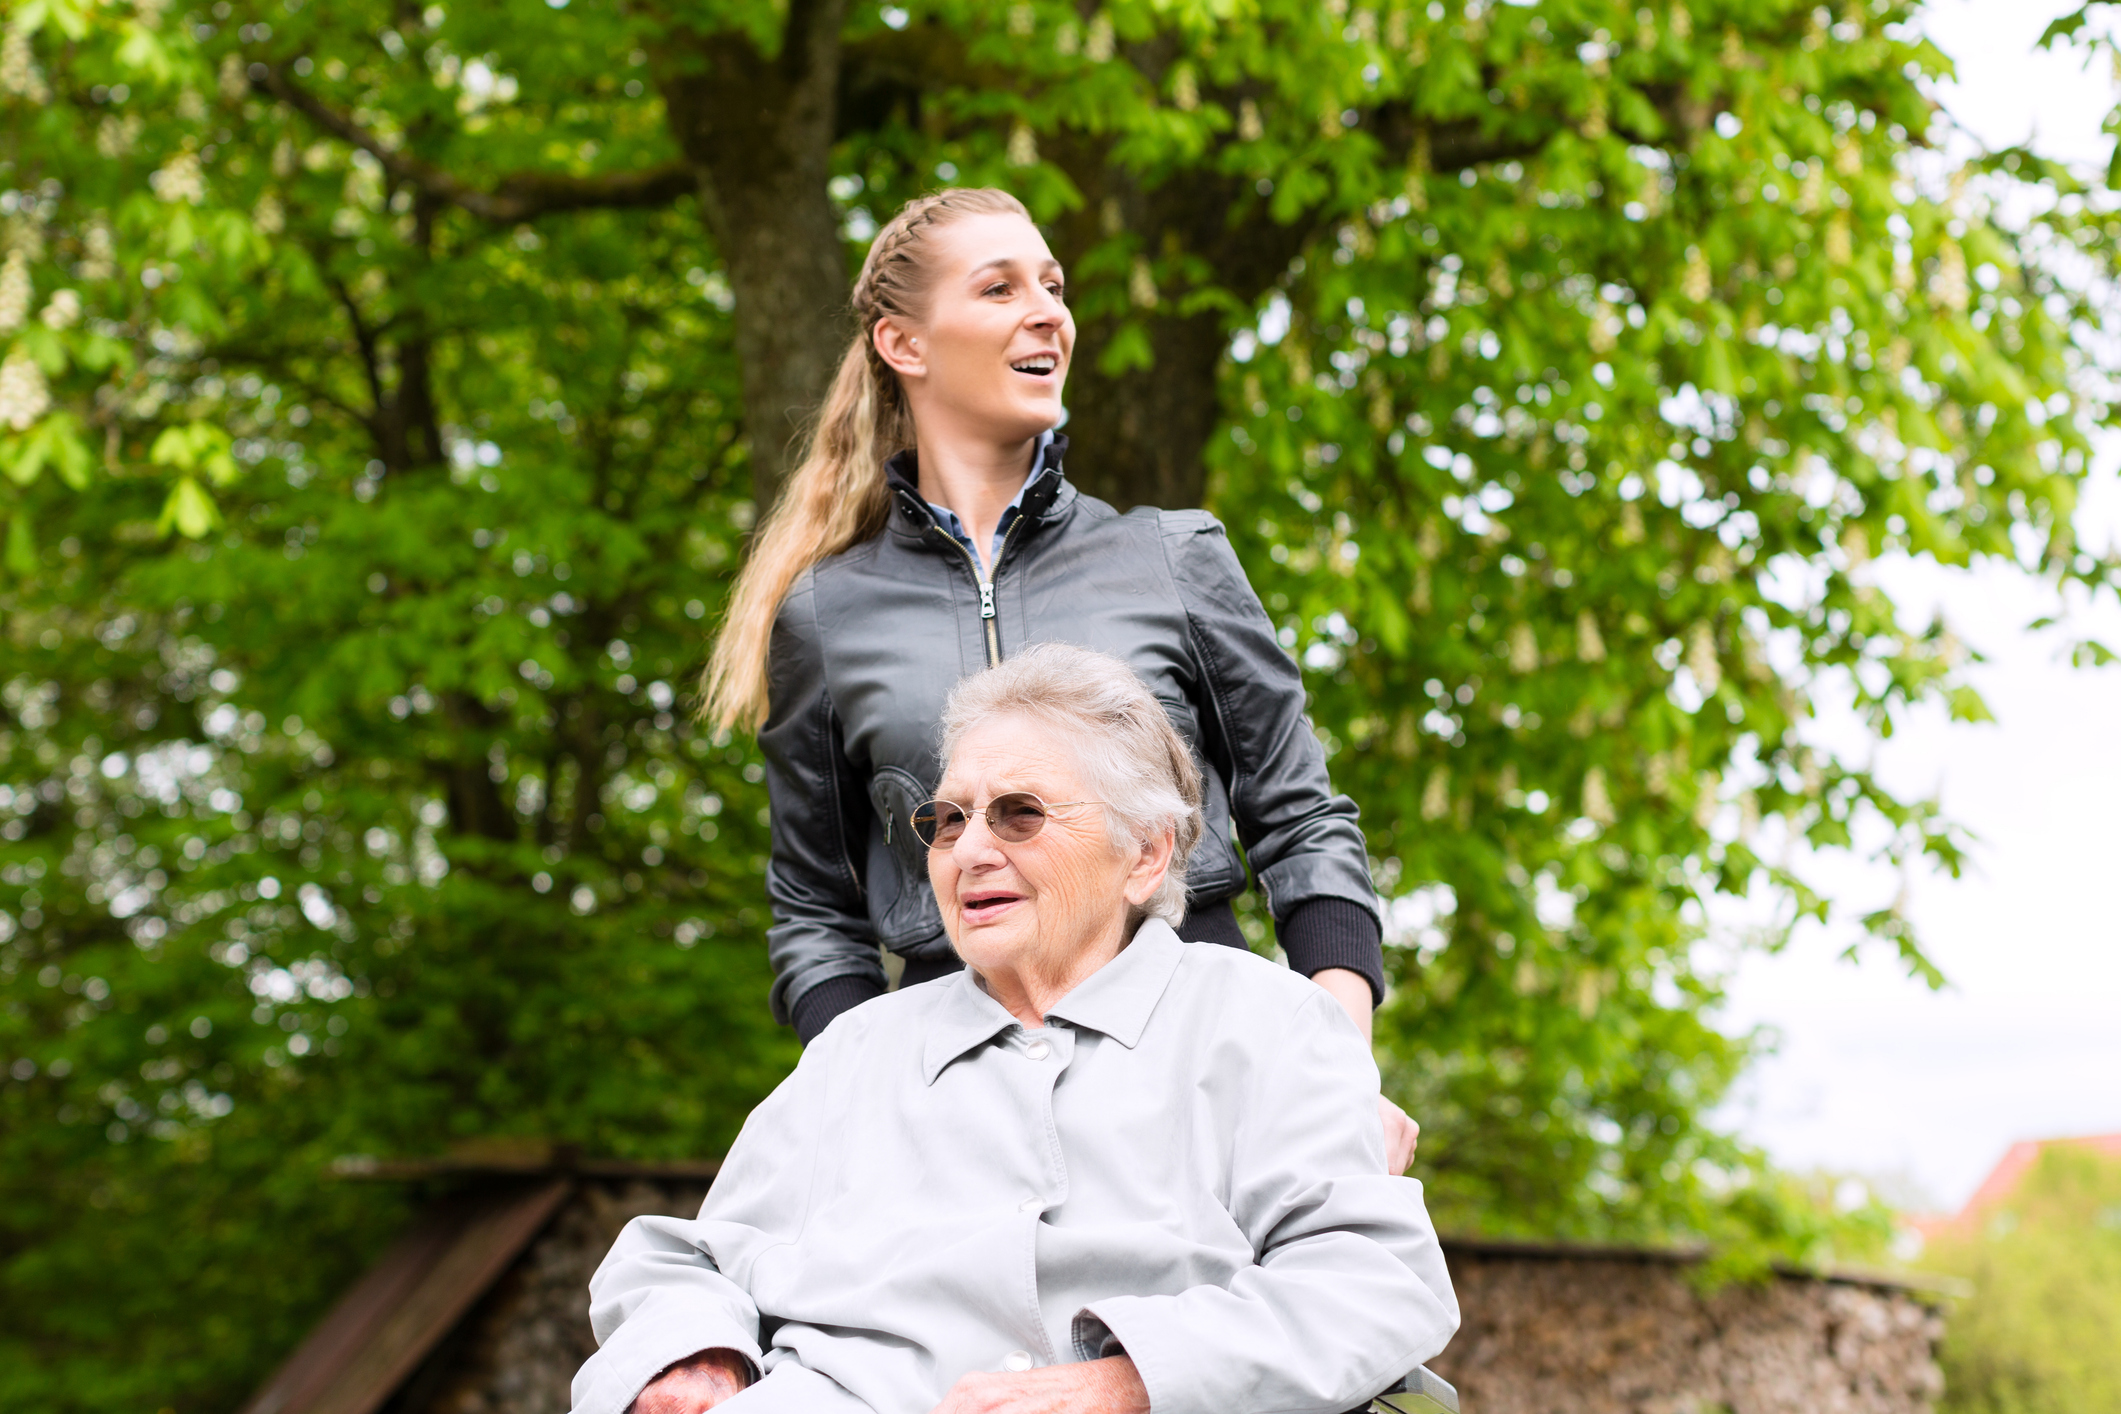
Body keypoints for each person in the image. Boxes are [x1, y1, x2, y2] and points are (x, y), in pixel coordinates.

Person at [700, 188, 1418, 1170]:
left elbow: (1301, 821)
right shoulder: (827, 615)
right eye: (1000, 287)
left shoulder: (1175, 556)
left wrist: (1337, 1067)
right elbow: (817, 910)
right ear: (903, 345)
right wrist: (868, 1102)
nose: (1048, 310)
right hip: (957, 1111)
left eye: (1053, 284)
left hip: (1201, 1079)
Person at [579, 646, 1458, 1414]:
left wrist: (1127, 1386)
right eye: (949, 818)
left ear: (1145, 852)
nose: (968, 852)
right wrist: (693, 1354)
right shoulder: (859, 1049)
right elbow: (687, 1260)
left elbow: (1373, 1286)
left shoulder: (1262, 1025)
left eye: (1019, 813)